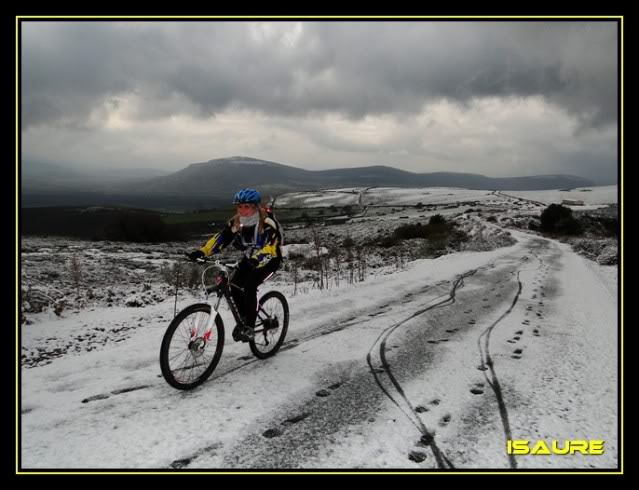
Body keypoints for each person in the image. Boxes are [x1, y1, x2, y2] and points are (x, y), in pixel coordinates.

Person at [187, 188, 283, 340]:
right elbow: (221, 238)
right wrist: (202, 252)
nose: (242, 210)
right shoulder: (236, 222)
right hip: (250, 258)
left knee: (250, 285)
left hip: (270, 260)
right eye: (239, 206)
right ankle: (245, 318)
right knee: (234, 285)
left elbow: (270, 246)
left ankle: (250, 327)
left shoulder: (267, 223)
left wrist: (255, 260)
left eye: (246, 206)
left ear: (255, 207)